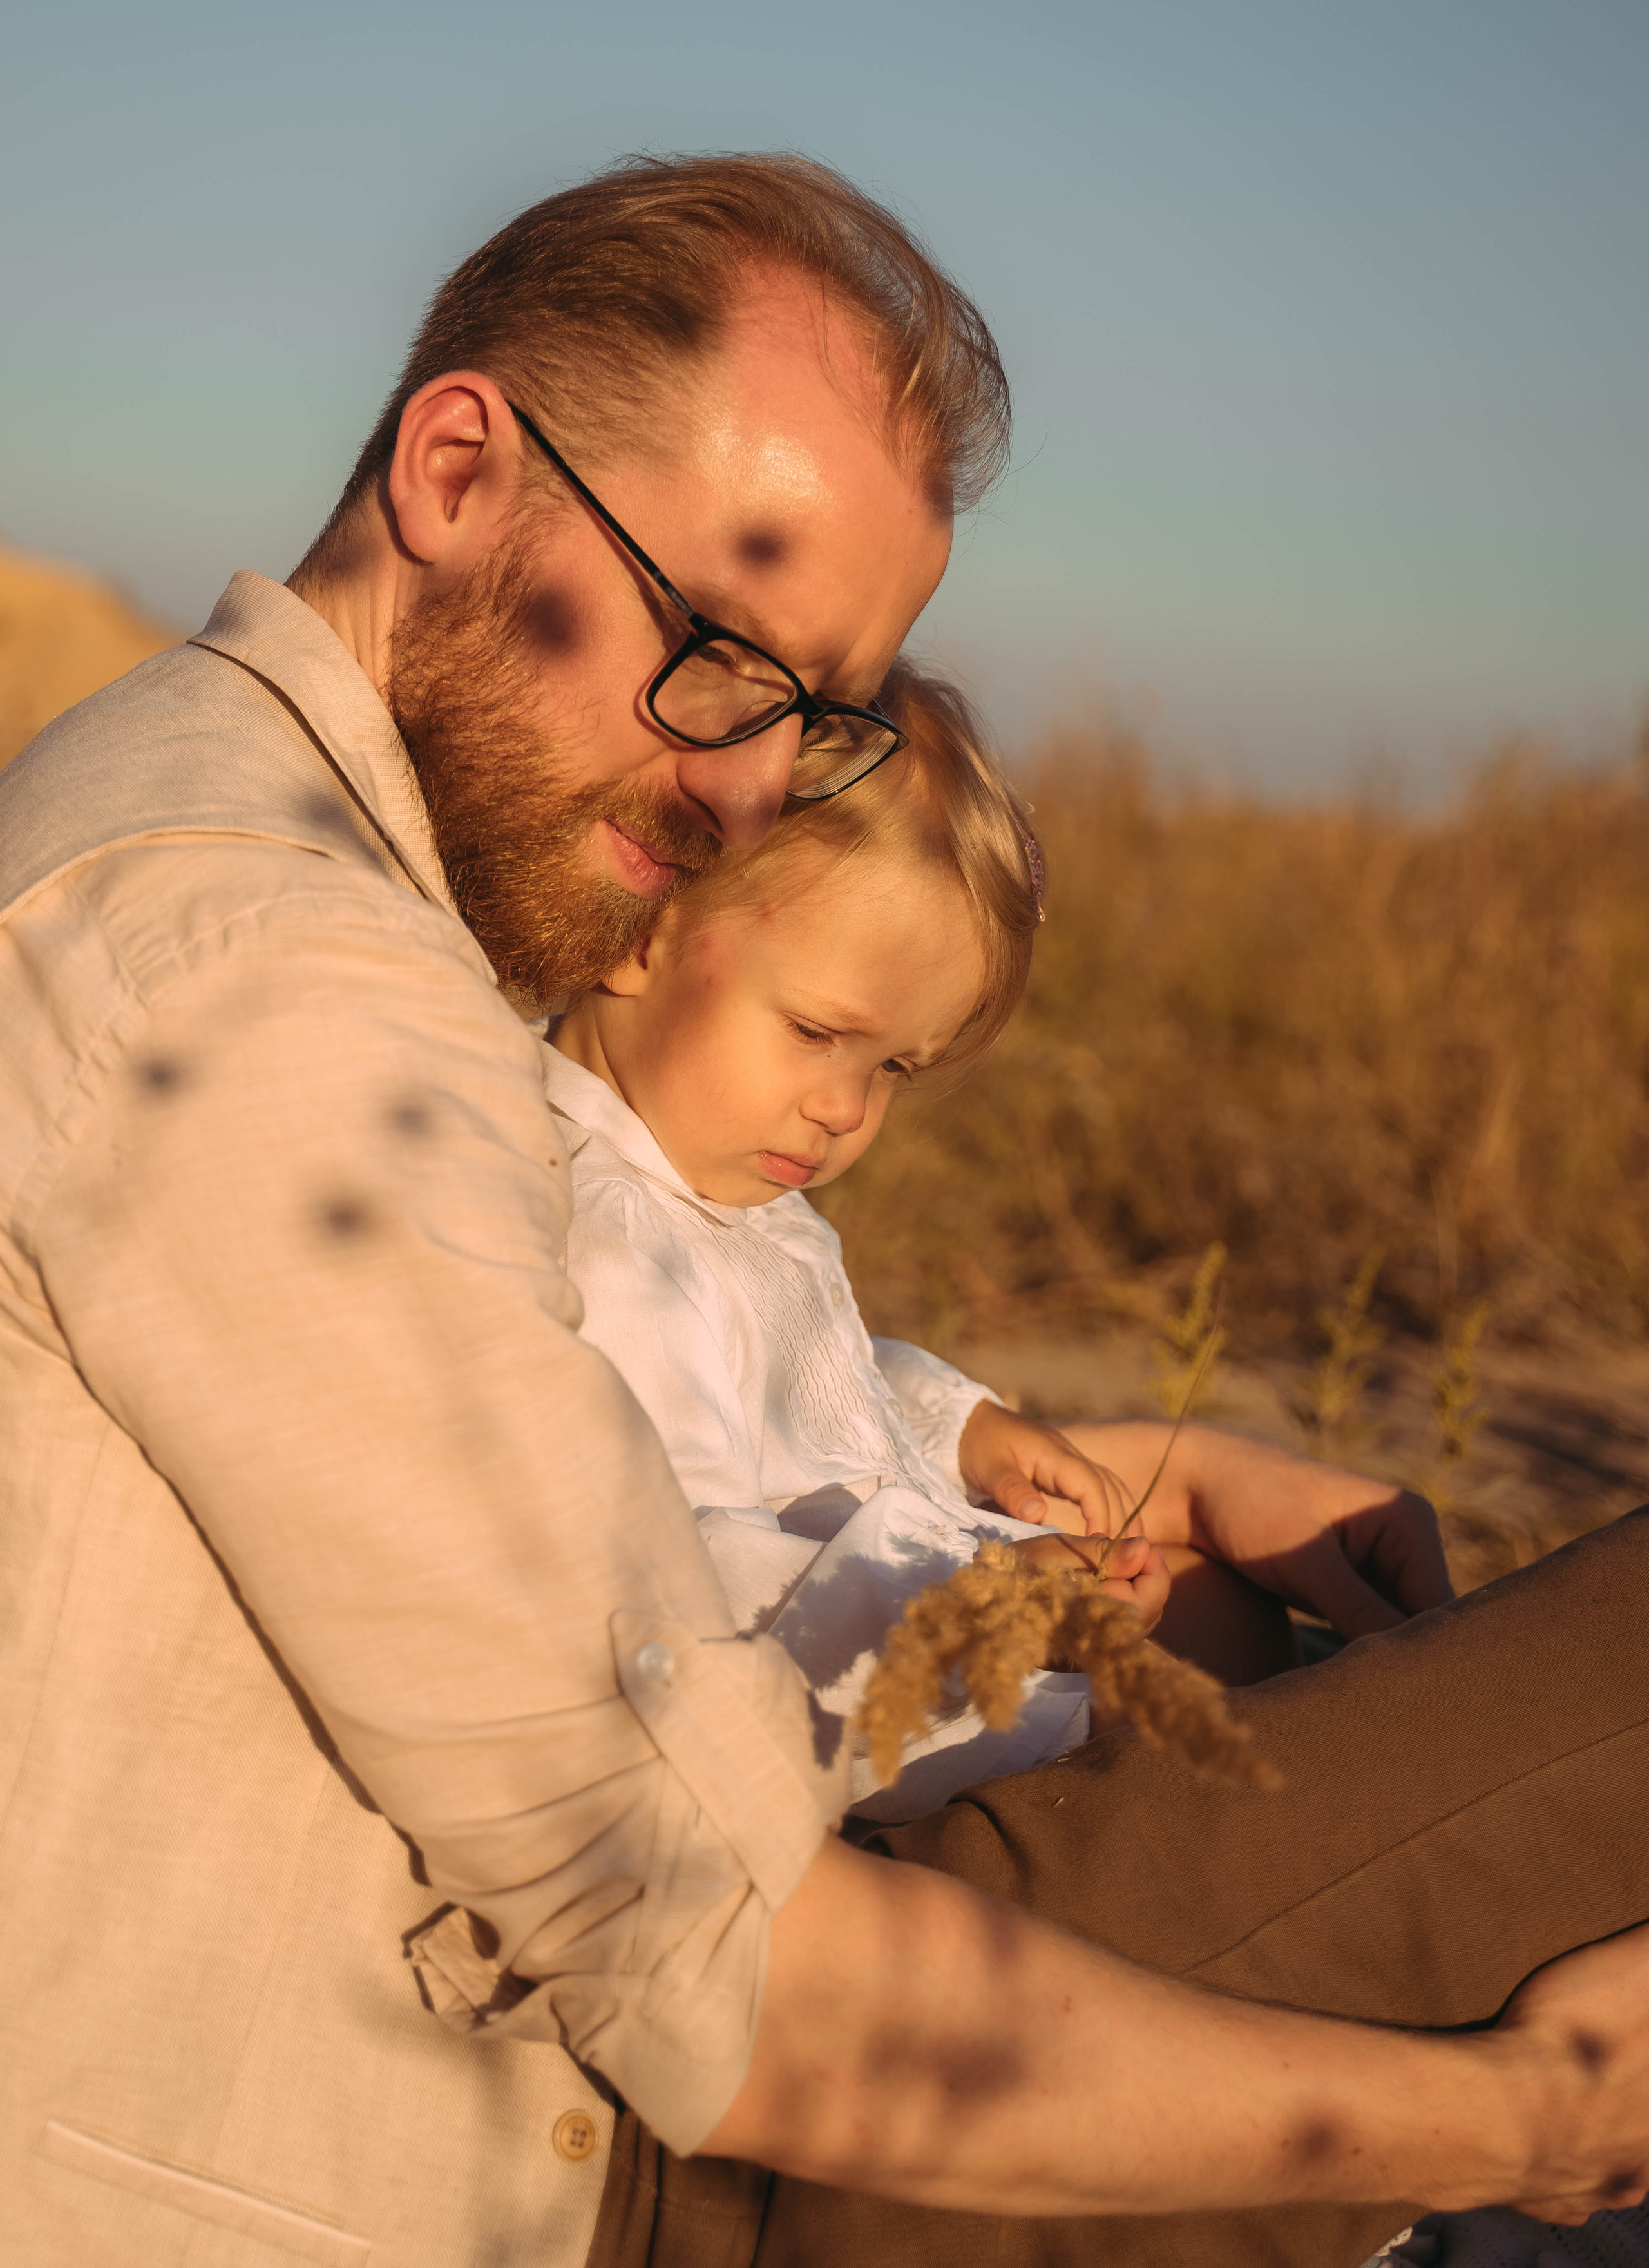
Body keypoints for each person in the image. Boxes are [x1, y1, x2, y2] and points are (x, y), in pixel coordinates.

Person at [0, 153, 1645, 2268]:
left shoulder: (198, 835)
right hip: (629, 2166)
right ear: (454, 468)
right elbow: (724, 1979)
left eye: (825, 712)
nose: (754, 790)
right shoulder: (266, 975)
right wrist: (1505, 2121)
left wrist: (1108, 1480)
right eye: (722, 654)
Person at [547, 660, 1176, 1825]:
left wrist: (958, 1427)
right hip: (862, 1787)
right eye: (816, 1032)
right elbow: (688, 1571)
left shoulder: (722, 1188)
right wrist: (977, 1598)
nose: (847, 1108)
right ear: (640, 927)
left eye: (890, 1067)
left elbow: (810, 1401)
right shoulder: (612, 1238)